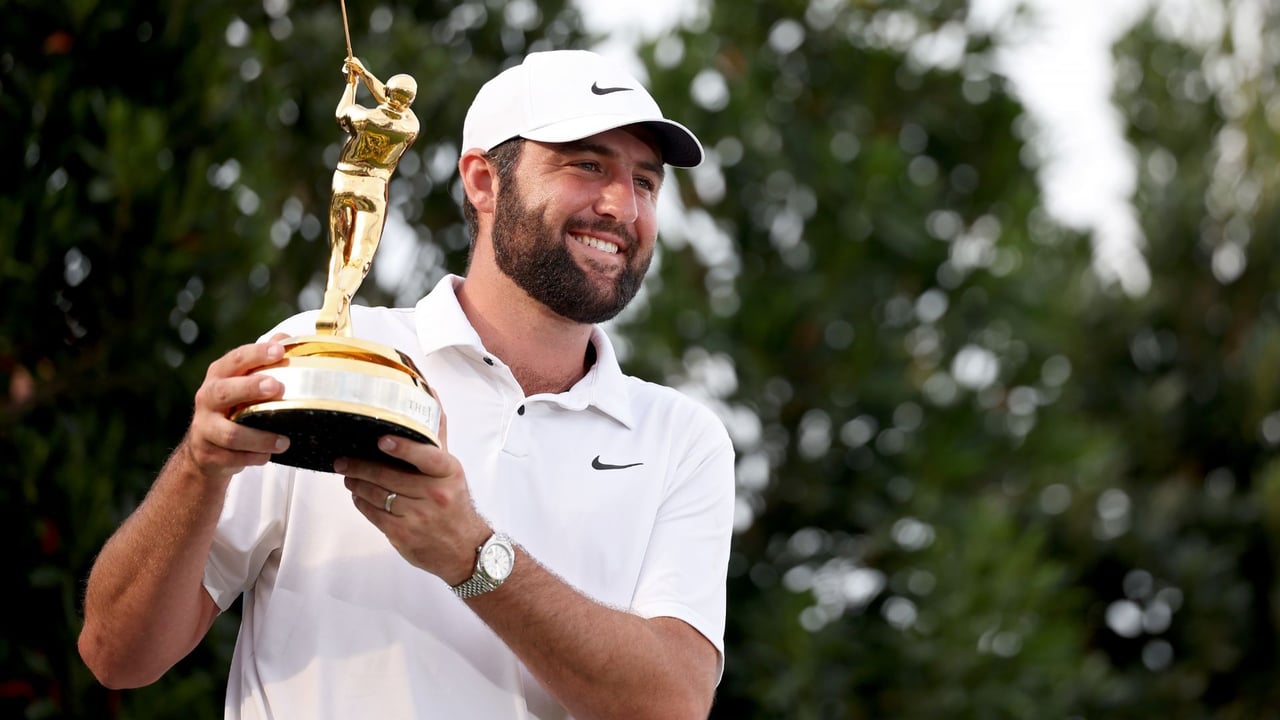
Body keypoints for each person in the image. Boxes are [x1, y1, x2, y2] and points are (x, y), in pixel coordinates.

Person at [78, 49, 735, 719]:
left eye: (646, 182)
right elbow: (117, 654)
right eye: (587, 165)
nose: (622, 206)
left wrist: (471, 555)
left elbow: (673, 704)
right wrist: (199, 466)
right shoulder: (322, 357)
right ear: (483, 181)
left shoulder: (682, 440)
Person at [317, 56, 420, 336]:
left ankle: (333, 304)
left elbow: (342, 113)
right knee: (359, 259)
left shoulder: (364, 117)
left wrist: (352, 82)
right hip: (373, 189)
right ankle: (340, 299)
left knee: (339, 250)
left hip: (345, 180)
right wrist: (363, 74)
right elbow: (391, 99)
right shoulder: (409, 128)